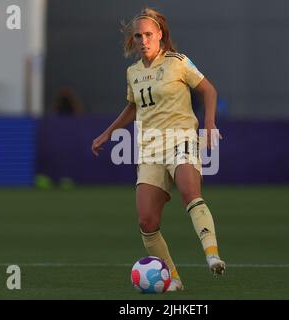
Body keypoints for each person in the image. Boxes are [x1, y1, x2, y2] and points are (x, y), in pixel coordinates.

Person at [91, 7, 225, 291]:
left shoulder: (178, 62)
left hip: (181, 138)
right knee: (146, 220)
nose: (143, 40)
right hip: (150, 148)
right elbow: (133, 107)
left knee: (190, 192)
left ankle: (212, 256)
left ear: (160, 35)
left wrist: (210, 123)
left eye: (148, 34)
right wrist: (107, 133)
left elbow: (209, 90)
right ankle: (174, 279)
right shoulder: (133, 72)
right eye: (138, 36)